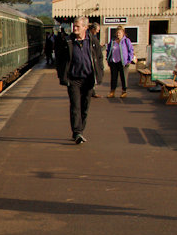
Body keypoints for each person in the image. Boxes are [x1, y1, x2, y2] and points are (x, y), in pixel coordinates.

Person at [56, 16, 104, 144]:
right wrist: (62, 75)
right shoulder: (68, 41)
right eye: (74, 26)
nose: (74, 28)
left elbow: (99, 58)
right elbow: (60, 59)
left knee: (85, 106)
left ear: (85, 27)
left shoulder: (93, 41)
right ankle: (77, 132)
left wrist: (100, 74)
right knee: (75, 106)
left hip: (88, 79)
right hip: (73, 79)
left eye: (77, 26)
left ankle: (80, 130)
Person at [105, 25, 135, 98]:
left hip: (123, 62)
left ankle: (124, 91)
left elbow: (131, 50)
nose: (118, 34)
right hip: (114, 62)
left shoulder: (126, 41)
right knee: (113, 78)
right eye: (117, 33)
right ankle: (112, 92)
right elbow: (108, 49)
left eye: (120, 33)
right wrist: (108, 58)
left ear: (123, 33)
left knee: (123, 78)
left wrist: (129, 60)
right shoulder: (112, 41)